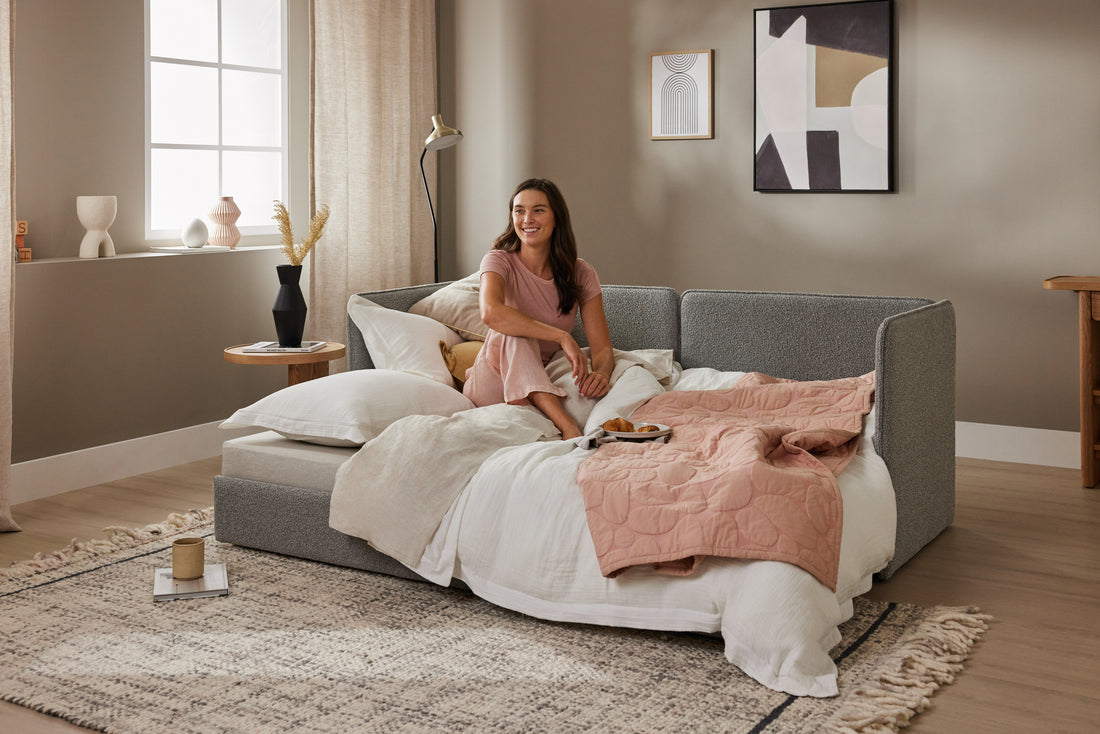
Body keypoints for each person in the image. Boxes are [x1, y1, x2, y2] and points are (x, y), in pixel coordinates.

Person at [462, 178, 614, 439]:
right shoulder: (498, 261)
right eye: (519, 210)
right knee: (513, 332)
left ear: (557, 218)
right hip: (493, 380)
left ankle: (545, 419)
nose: (527, 219)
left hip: (540, 376)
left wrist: (601, 373)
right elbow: (491, 312)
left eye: (538, 210)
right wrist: (561, 336)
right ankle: (566, 425)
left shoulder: (581, 273)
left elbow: (602, 348)